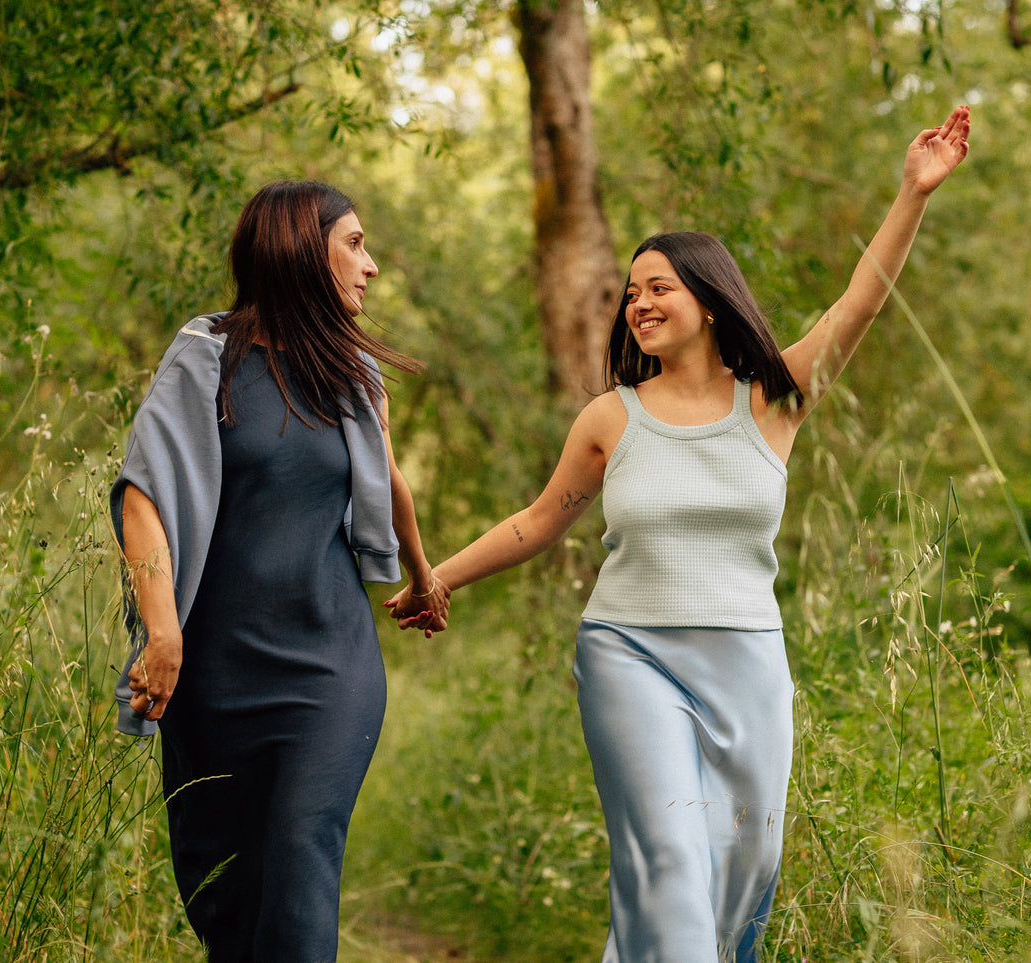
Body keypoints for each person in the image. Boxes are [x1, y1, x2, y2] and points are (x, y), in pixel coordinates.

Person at [386, 106, 971, 962]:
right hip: (629, 652)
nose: (637, 302)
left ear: (708, 296)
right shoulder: (608, 419)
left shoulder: (774, 398)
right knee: (667, 861)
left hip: (748, 662)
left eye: (657, 285)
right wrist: (435, 577)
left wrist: (911, 192)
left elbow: (861, 301)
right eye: (629, 291)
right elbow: (538, 520)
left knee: (744, 867)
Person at [110, 180, 450, 962]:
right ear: (303, 245)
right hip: (214, 677)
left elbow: (387, 475)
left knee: (299, 871)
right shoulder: (205, 360)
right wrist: (161, 633)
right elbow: (142, 496)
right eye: (355, 243)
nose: (371, 266)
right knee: (225, 898)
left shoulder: (352, 373)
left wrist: (423, 571)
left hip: (330, 666)